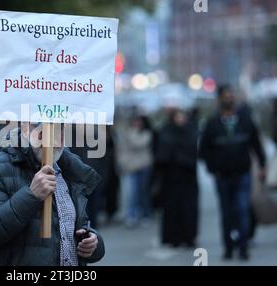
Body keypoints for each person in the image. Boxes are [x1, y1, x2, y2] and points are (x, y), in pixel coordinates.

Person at [0, 123, 105, 266]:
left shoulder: (68, 169)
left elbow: (76, 226)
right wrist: (31, 195)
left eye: (56, 132)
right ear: (25, 130)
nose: (49, 140)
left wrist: (92, 242)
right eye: (41, 132)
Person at [200, 85, 266, 260]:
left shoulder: (245, 121)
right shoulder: (212, 123)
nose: (230, 98)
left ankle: (243, 246)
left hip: (242, 174)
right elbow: (204, 150)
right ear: (219, 98)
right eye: (226, 95)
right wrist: (212, 168)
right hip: (222, 176)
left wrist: (262, 166)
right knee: (227, 212)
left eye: (232, 95)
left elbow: (256, 144)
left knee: (242, 209)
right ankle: (228, 247)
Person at [155, 109, 199, 247]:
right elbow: (161, 155)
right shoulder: (166, 132)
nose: (181, 119)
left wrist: (177, 154)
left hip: (188, 178)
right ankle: (174, 238)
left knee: (189, 209)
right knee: (172, 209)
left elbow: (193, 152)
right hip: (171, 179)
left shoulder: (191, 131)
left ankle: (189, 237)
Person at [114, 114, 153, 227]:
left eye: (138, 122)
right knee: (131, 193)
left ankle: (145, 214)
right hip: (129, 167)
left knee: (143, 192)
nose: (136, 124)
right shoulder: (125, 134)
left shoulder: (146, 133)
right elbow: (120, 150)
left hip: (143, 166)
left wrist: (131, 133)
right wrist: (121, 164)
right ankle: (131, 215)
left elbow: (138, 143)